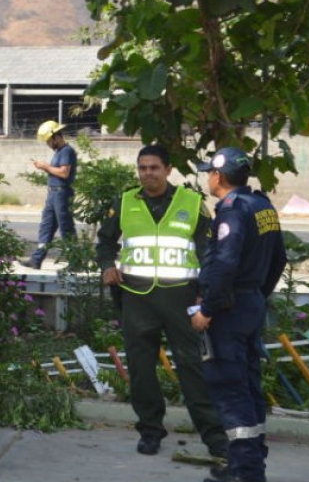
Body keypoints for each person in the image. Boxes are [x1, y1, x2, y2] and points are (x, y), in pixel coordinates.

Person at [95, 145, 228, 459]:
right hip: (137, 299)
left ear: (168, 170)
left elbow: (210, 253)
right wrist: (107, 266)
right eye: (142, 168)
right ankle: (150, 431)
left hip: (180, 298)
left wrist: (203, 295)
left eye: (154, 168)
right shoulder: (125, 202)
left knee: (192, 368)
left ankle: (213, 436)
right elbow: (104, 242)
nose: (147, 174)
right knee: (141, 371)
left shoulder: (192, 203)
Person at [191, 148, 286, 482]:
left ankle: (246, 472)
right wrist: (258, 294)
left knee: (230, 389)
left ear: (218, 176)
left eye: (209, 173)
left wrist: (207, 310)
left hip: (228, 312)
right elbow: (279, 259)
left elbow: (225, 264)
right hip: (250, 304)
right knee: (248, 384)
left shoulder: (232, 210)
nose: (208, 178)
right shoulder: (262, 206)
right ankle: (246, 461)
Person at [26, 120, 77, 269]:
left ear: (56, 137)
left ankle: (75, 261)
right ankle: (36, 259)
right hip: (53, 194)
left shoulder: (67, 151)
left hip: (62, 193)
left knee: (66, 228)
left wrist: (45, 166)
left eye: (48, 141)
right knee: (46, 228)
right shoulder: (59, 152)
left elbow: (64, 172)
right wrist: (45, 167)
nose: (48, 144)